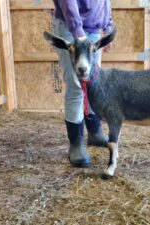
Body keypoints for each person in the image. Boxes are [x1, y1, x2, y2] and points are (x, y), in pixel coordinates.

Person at [52, 0, 113, 168]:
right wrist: (77, 31)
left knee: (93, 85)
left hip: (94, 32)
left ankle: (94, 132)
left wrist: (107, 25)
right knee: (77, 86)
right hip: (70, 27)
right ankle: (76, 143)